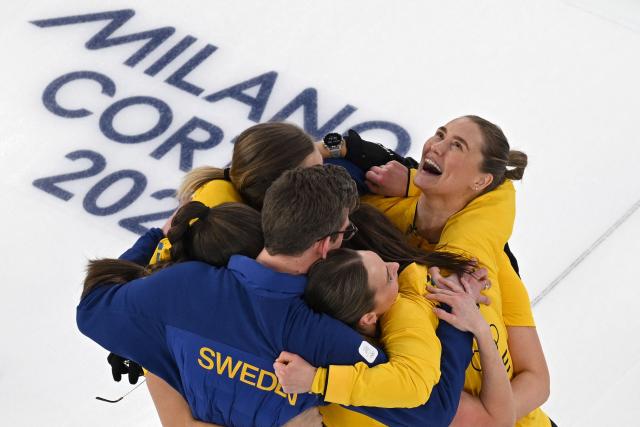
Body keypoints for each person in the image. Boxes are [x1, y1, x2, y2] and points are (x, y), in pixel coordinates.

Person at [77, 165, 474, 426]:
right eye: (345, 233)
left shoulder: (182, 284)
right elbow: (433, 411)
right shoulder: (323, 337)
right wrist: (449, 313)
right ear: (326, 246)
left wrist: (156, 239)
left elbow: (92, 309)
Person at [322, 116, 551, 426]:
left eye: (457, 145)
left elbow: (537, 379)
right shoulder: (381, 252)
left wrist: (501, 415)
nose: (436, 146)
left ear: (481, 181)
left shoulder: (486, 256)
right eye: (440, 134)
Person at [274, 204, 515, 427]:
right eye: (388, 276)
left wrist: (319, 381)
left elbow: (420, 390)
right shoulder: (420, 278)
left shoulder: (405, 316)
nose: (394, 267)